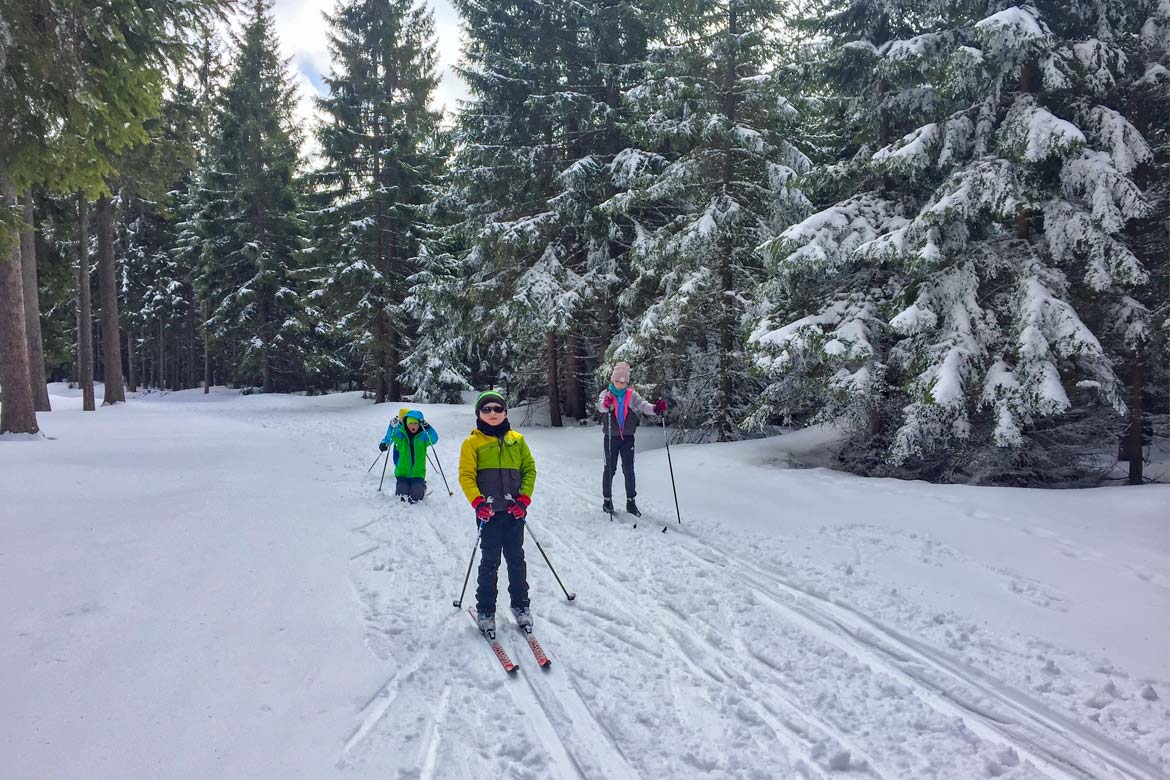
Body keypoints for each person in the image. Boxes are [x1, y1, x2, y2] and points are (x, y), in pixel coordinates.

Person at [458, 391, 537, 634]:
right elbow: (466, 475)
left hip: (514, 513)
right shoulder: (473, 442)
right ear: (479, 414)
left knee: (516, 559)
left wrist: (523, 499)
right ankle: (485, 609)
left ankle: (521, 605)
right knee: (490, 561)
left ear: (505, 412)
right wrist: (478, 503)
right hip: (488, 514)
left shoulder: (517, 440)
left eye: (497, 409)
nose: (492, 413)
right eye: (486, 409)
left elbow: (529, 470)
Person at [597, 362, 667, 517]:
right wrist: (606, 404)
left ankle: (631, 502)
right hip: (611, 437)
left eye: (623, 382)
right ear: (613, 379)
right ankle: (607, 500)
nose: (620, 384)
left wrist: (656, 409)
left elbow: (643, 405)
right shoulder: (606, 394)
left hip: (628, 438)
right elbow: (601, 406)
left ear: (627, 382)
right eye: (618, 381)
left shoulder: (631, 395)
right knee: (610, 469)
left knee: (629, 470)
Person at [379, 407, 438, 503]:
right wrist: (391, 427)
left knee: (416, 497)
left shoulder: (423, 437)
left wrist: (428, 428)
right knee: (402, 496)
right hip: (402, 473)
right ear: (406, 424)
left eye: (415, 423)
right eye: (410, 423)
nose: (413, 425)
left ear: (419, 424)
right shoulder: (401, 436)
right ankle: (408, 486)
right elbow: (391, 436)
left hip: (417, 473)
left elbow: (434, 439)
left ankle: (422, 487)